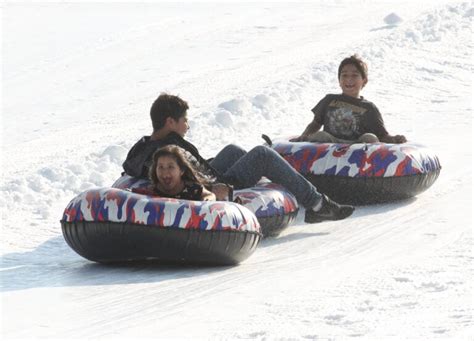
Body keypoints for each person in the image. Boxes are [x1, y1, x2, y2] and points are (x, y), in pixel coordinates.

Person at [123, 93, 355, 223]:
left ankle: (268, 178)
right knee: (262, 154)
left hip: (204, 173)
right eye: (184, 121)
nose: (187, 126)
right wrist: (217, 188)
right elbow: (190, 180)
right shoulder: (172, 149)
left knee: (232, 150)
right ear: (170, 122)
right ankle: (317, 204)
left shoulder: (145, 144)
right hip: (212, 184)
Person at [291, 55, 407, 144]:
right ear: (339, 80)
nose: (349, 80)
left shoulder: (369, 108)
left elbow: (382, 135)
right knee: (321, 136)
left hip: (356, 148)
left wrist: (394, 139)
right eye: (344, 75)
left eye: (354, 75)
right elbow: (316, 123)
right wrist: (304, 136)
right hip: (330, 147)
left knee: (370, 138)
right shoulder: (329, 100)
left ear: (364, 81)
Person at [134, 145, 217, 201]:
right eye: (160, 167)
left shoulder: (192, 189)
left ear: (181, 170)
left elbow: (210, 195)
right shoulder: (152, 191)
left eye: (170, 167)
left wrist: (207, 201)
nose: (165, 172)